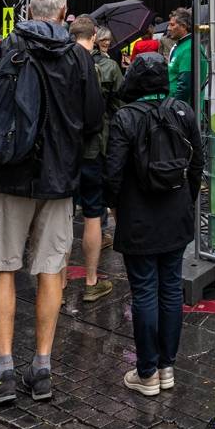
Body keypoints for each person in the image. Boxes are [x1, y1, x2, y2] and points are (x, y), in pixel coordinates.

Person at [0, 0, 103, 406]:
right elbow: (94, 118)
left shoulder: (8, 48)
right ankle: (42, 368)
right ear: (64, 13)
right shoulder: (79, 57)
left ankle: (4, 369)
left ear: (27, 11)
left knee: (2, 268)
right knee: (50, 270)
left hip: (7, 174)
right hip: (58, 179)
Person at [103, 52, 203, 395]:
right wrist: (186, 200)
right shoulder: (183, 111)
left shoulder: (125, 118)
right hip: (176, 215)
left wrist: (114, 208)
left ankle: (146, 373)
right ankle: (166, 367)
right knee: (171, 288)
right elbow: (197, 164)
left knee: (144, 290)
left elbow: (113, 173)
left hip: (138, 217)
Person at [70, 17, 120, 304]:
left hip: (63, 152)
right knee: (92, 216)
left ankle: (57, 283)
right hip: (94, 149)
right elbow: (119, 105)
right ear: (94, 37)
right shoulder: (108, 67)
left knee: (61, 217)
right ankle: (91, 282)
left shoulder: (59, 61)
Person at [166, 7, 208, 108]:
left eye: (172, 25)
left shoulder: (189, 47)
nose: (168, 28)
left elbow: (184, 86)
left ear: (183, 26)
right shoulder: (182, 45)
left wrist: (174, 108)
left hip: (183, 109)